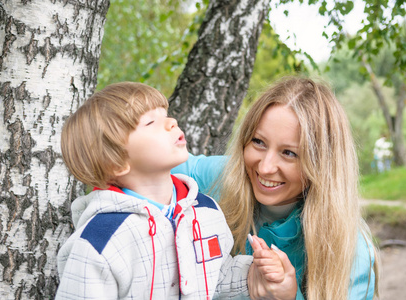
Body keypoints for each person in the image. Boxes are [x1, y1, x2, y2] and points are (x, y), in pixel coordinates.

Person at [56, 82, 289, 300]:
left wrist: (252, 276)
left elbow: (216, 278)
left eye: (166, 115)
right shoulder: (100, 242)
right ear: (116, 162)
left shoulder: (205, 210)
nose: (172, 122)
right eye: (150, 123)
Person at [172, 76, 380, 300]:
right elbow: (155, 162)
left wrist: (289, 297)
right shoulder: (224, 176)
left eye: (289, 153)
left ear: (322, 165)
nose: (265, 167)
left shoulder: (351, 250)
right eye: (258, 142)